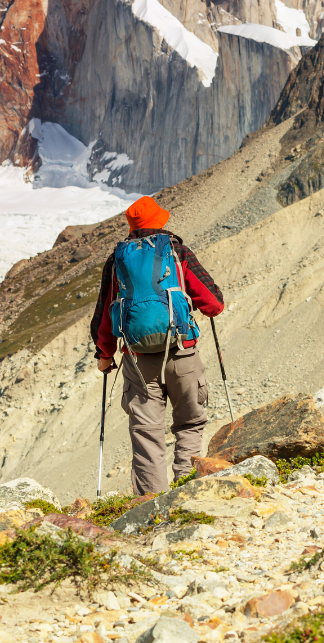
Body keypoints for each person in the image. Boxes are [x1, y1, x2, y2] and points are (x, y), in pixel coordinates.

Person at [90, 196, 225, 495]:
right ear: (159, 221)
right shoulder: (175, 251)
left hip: (138, 362)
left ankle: (151, 508)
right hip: (182, 353)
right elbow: (213, 303)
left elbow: (104, 312)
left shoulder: (118, 259)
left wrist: (104, 354)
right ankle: (188, 492)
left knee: (147, 436)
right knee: (189, 424)